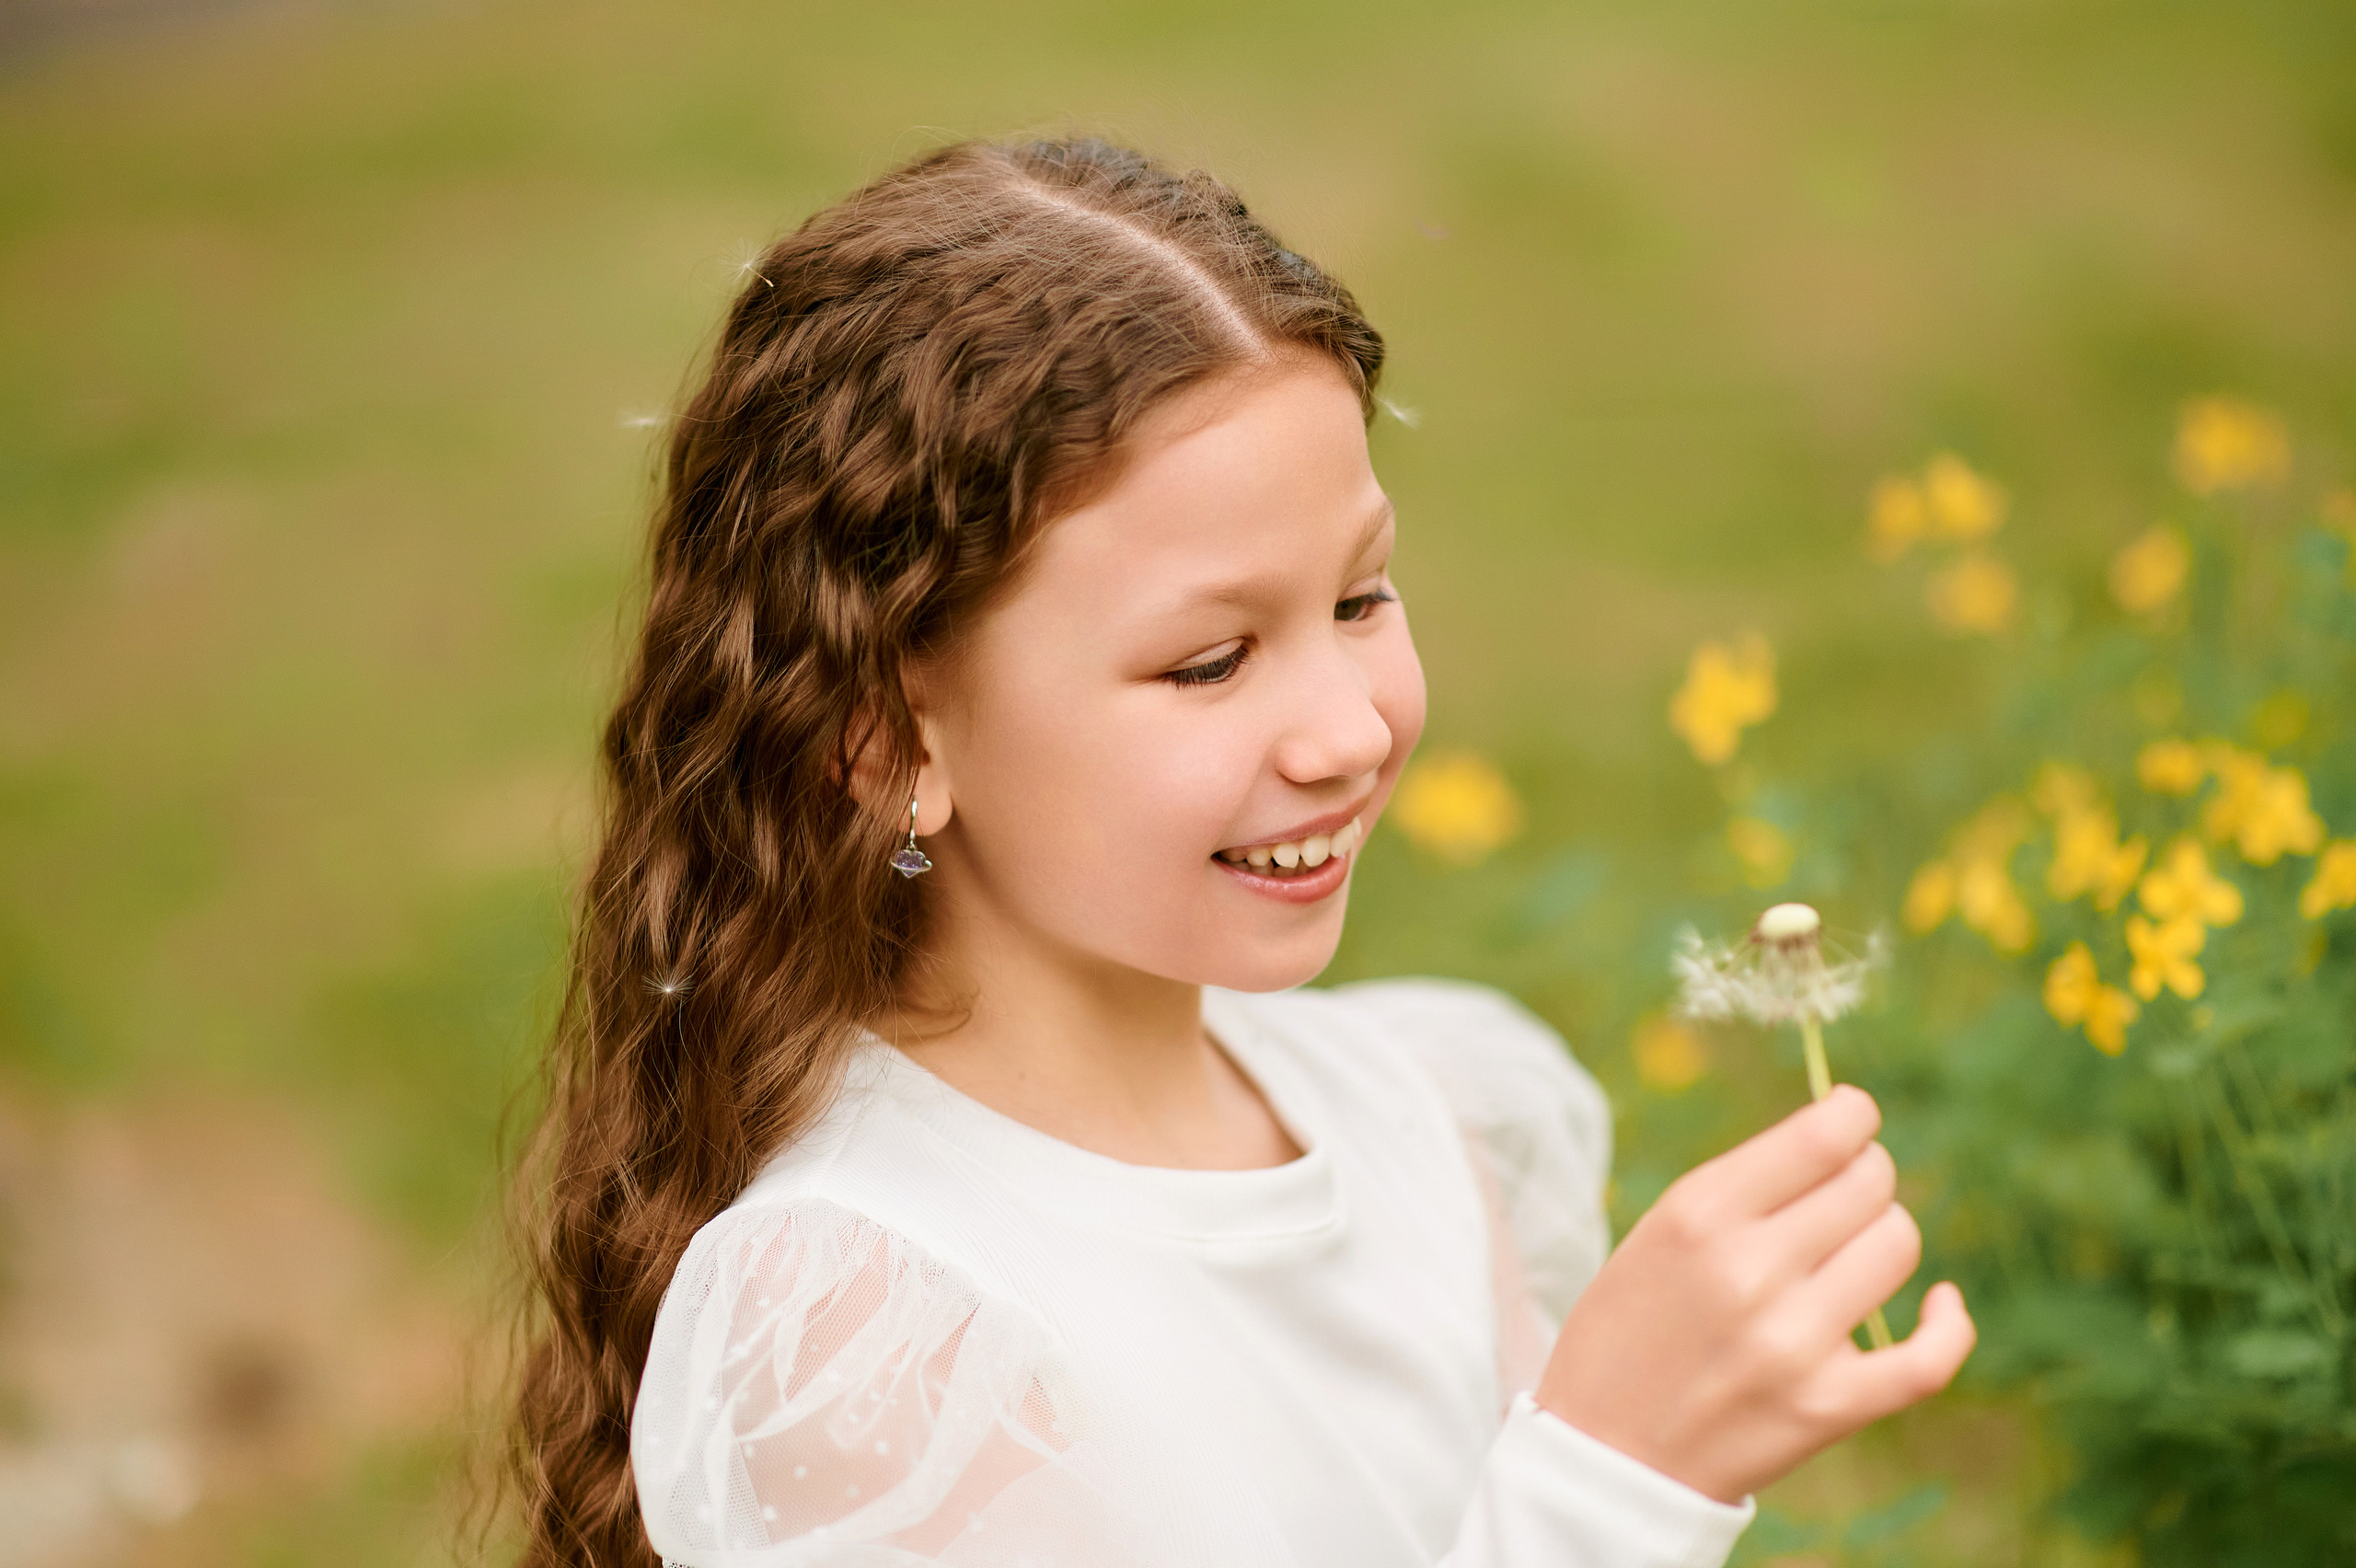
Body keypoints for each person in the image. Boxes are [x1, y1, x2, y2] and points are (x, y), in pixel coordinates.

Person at [509, 137, 1976, 1568]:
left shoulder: (1419, 1121)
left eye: (1360, 599)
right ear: (892, 742)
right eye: (1211, 661)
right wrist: (1612, 1477)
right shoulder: (883, 1337)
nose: (1344, 731)